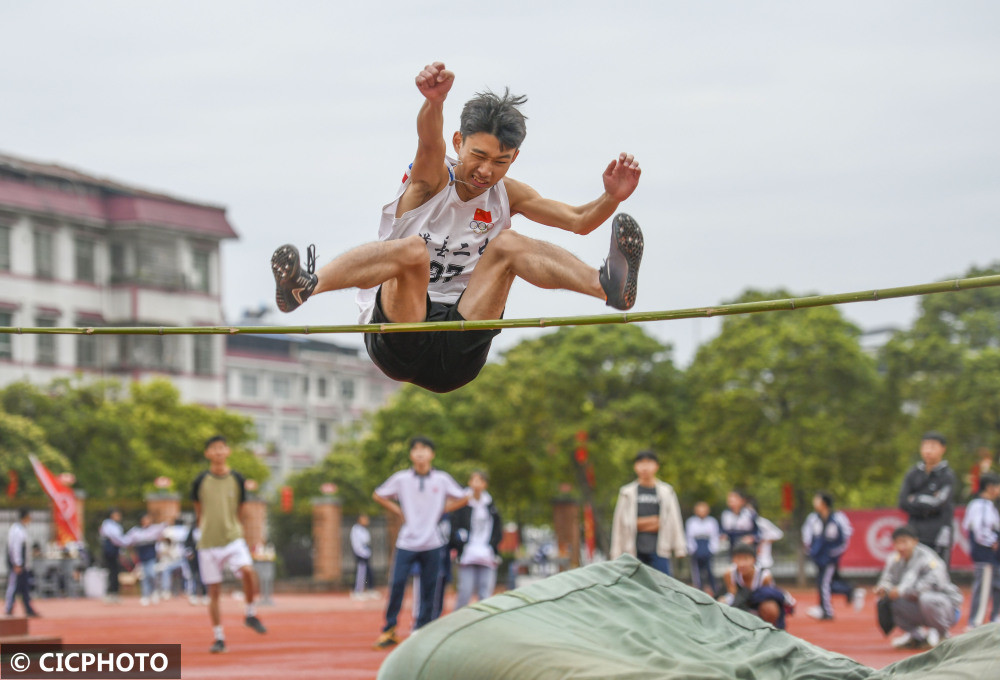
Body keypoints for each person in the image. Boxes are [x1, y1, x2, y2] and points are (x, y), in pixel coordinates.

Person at [271, 61, 644, 394]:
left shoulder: (507, 194)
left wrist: (611, 198)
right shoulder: (430, 179)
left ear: (514, 157)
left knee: (509, 244)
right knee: (414, 250)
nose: (486, 172)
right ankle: (306, 287)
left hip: (459, 346)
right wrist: (434, 103)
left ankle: (608, 288)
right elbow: (428, 141)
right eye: (478, 156)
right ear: (459, 142)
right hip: (401, 334)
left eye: (501, 162)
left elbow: (578, 221)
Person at [372, 436, 469, 648]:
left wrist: (444, 509)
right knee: (397, 584)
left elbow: (463, 497)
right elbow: (378, 495)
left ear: (432, 454)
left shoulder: (442, 480)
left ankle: (422, 629)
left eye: (424, 449)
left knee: (429, 588)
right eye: (415, 449)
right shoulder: (401, 479)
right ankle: (389, 629)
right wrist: (398, 510)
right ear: (410, 455)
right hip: (406, 542)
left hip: (432, 543)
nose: (420, 453)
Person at [191, 435, 267, 653]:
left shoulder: (237, 479)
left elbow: (240, 508)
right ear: (207, 454)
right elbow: (198, 509)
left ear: (228, 451)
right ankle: (219, 637)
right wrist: (204, 528)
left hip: (233, 538)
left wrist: (233, 526)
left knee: (248, 571)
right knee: (213, 591)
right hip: (208, 542)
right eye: (213, 448)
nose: (218, 452)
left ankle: (250, 613)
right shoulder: (200, 481)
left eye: (221, 448)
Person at [874, 524, 962, 649]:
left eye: (904, 542)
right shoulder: (894, 559)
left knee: (927, 598)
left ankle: (943, 635)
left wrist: (905, 591)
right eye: (897, 543)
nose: (901, 547)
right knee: (887, 601)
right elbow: (887, 579)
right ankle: (916, 637)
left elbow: (937, 583)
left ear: (915, 541)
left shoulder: (928, 558)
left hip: (946, 607)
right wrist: (884, 589)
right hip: (916, 605)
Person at [609, 450, 687, 576]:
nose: (645, 467)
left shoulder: (666, 491)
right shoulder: (626, 493)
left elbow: (673, 520)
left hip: (660, 549)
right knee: (635, 589)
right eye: (640, 463)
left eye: (649, 463)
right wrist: (653, 521)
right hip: (633, 550)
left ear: (656, 466)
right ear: (635, 467)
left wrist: (680, 547)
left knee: (663, 588)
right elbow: (621, 523)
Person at [801, 492, 863, 620]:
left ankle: (826, 611)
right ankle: (849, 591)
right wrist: (811, 551)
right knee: (824, 582)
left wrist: (835, 552)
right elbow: (806, 534)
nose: (815, 503)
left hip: (830, 557)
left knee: (824, 582)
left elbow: (846, 535)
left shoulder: (838, 517)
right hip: (817, 556)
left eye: (817, 500)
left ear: (824, 503)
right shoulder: (813, 518)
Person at [898, 431, 957, 565]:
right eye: (925, 446)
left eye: (933, 446)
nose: (928, 451)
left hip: (938, 533)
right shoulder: (913, 473)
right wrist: (927, 503)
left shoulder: (947, 475)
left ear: (943, 449)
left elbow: (940, 503)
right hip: (915, 532)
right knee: (913, 570)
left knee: (938, 570)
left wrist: (916, 498)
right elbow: (902, 502)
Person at [451, 470, 503, 609]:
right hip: (467, 554)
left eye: (480, 481)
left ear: (485, 484)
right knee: (465, 591)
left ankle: (482, 625)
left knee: (485, 593)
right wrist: (459, 545)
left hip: (486, 554)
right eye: (474, 480)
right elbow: (454, 526)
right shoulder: (462, 504)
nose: (476, 484)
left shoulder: (490, 505)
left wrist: (492, 547)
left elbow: (498, 529)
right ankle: (457, 624)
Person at [718, 543, 795, 630]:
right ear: (733, 560)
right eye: (738, 559)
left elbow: (769, 595)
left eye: (746, 559)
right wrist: (723, 602)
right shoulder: (729, 574)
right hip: (740, 606)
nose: (742, 563)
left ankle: (770, 631)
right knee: (720, 604)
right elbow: (732, 594)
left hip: (758, 608)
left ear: (754, 560)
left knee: (770, 608)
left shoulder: (764, 576)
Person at [962, 472, 1000, 628]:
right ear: (990, 487)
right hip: (985, 554)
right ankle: (975, 624)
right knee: (983, 588)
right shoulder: (981, 505)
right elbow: (980, 529)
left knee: (996, 586)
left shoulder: (988, 505)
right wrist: (993, 542)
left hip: (991, 555)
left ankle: (994, 620)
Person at [125, 514, 166, 606]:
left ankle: (154, 591)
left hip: (151, 556)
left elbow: (163, 529)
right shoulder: (136, 531)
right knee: (144, 576)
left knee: (151, 574)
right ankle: (145, 595)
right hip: (141, 557)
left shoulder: (154, 530)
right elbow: (128, 541)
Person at [4, 508, 39, 617]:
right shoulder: (16, 531)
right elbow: (15, 548)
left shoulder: (22, 529)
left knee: (25, 588)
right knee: (14, 586)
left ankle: (28, 609)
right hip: (18, 565)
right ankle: (9, 608)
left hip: (23, 565)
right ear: (25, 517)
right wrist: (17, 563)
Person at [685, 501, 720, 595]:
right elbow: (689, 536)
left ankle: (714, 590)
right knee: (697, 572)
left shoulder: (712, 521)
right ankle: (699, 590)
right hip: (697, 546)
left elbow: (714, 536)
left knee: (710, 570)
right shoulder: (691, 522)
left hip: (707, 546)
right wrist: (692, 549)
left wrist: (713, 549)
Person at [99, 509, 126, 604]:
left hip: (115, 551)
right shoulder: (107, 524)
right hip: (110, 551)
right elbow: (115, 538)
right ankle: (110, 593)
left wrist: (122, 551)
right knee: (111, 572)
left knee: (115, 572)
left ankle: (114, 593)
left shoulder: (117, 526)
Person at [720, 490, 759, 558]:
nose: (731, 503)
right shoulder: (725, 514)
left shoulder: (750, 513)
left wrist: (752, 538)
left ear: (742, 500)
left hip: (747, 545)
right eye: (730, 501)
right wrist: (723, 536)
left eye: (734, 500)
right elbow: (723, 530)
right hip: (732, 544)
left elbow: (758, 531)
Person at [350, 514, 375, 600]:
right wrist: (362, 553)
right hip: (360, 554)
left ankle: (369, 589)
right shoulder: (356, 529)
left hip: (366, 553)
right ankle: (357, 590)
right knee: (360, 572)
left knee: (368, 572)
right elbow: (356, 544)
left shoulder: (364, 530)